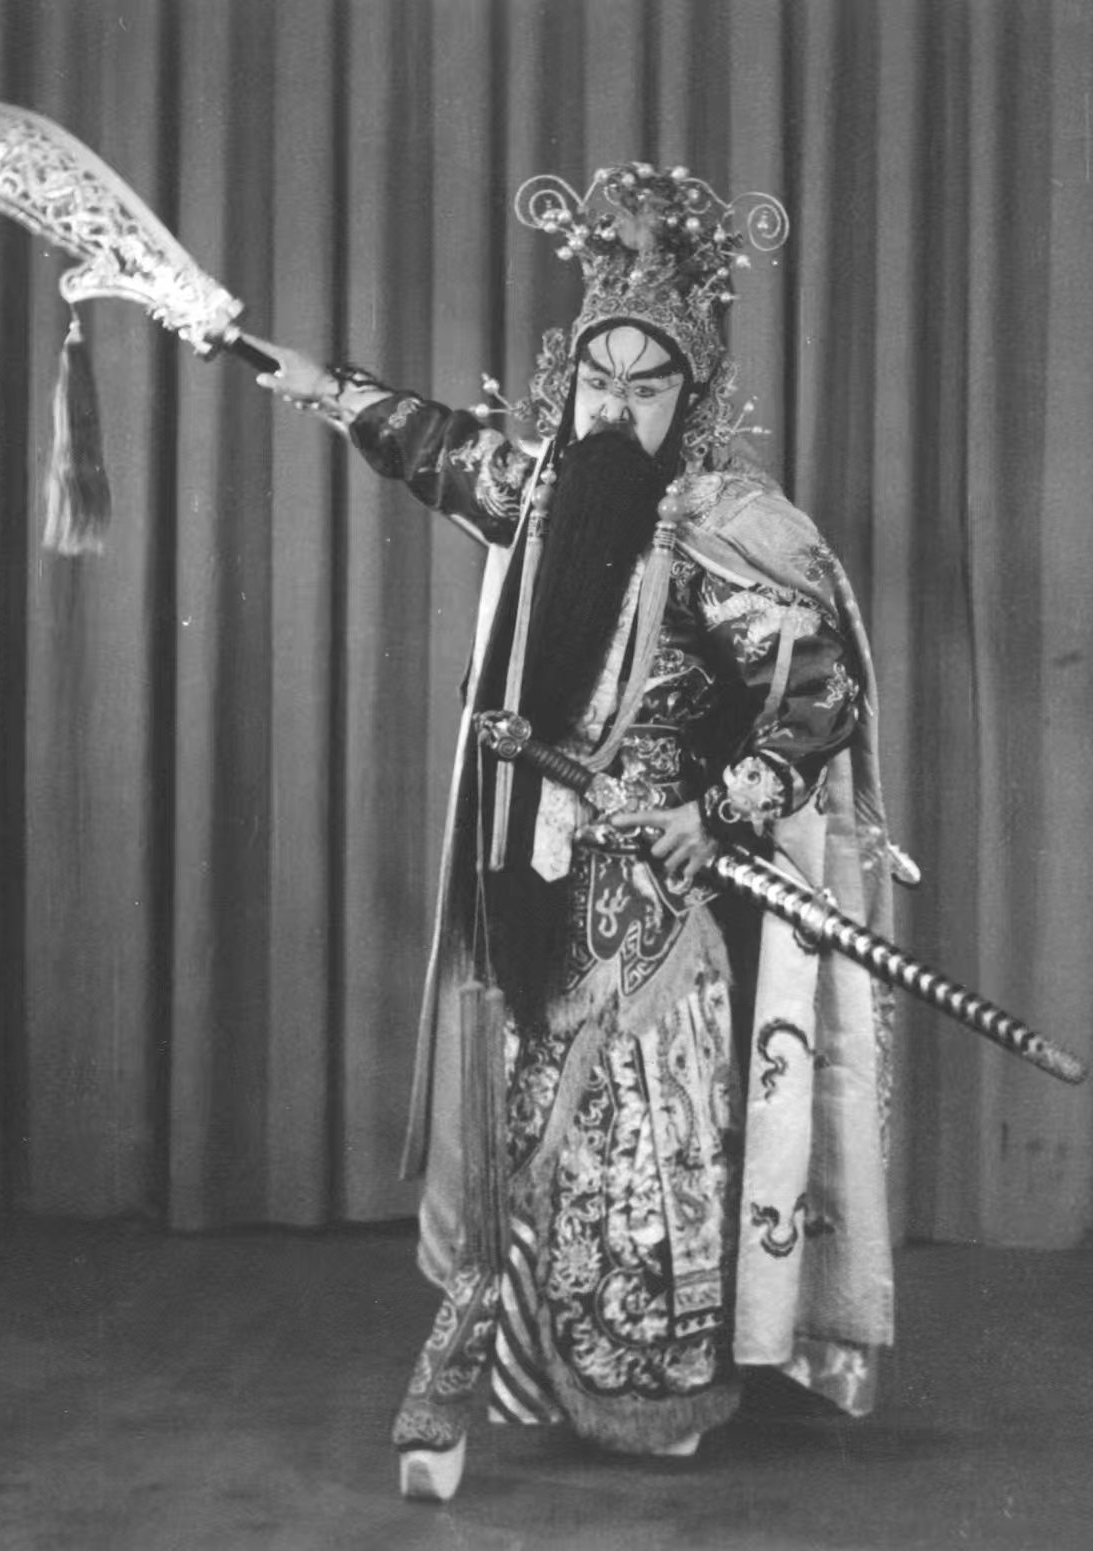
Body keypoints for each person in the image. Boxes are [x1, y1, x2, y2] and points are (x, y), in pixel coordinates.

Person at [257, 163, 896, 1503]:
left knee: (640, 1137)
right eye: (598, 379)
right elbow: (431, 444)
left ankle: (650, 1388)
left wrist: (714, 810)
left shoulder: (723, 535)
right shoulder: (543, 493)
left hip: (658, 897)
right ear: (570, 382)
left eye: (646, 386)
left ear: (690, 400)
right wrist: (314, 382)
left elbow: (820, 694)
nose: (615, 405)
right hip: (534, 872)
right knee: (521, 1122)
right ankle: (510, 1374)